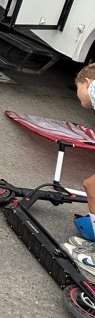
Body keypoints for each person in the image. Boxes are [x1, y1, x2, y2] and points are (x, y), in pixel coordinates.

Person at [63, 63, 95, 274]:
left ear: (85, 82)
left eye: (77, 89)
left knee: (92, 188)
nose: (78, 95)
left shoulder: (93, 87)